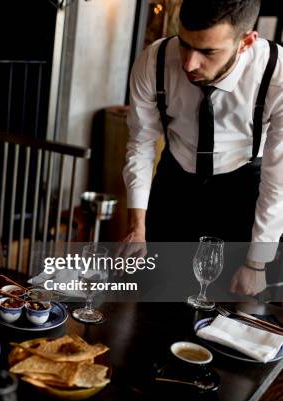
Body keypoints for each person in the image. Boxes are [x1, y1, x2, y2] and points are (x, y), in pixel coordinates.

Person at [121, 0, 282, 296]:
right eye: (184, 44)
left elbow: (278, 179)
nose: (189, 63)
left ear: (246, 41)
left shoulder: (276, 72)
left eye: (208, 52)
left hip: (244, 193)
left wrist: (257, 264)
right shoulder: (154, 60)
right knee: (158, 295)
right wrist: (137, 226)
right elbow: (140, 144)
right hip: (175, 184)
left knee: (227, 305)